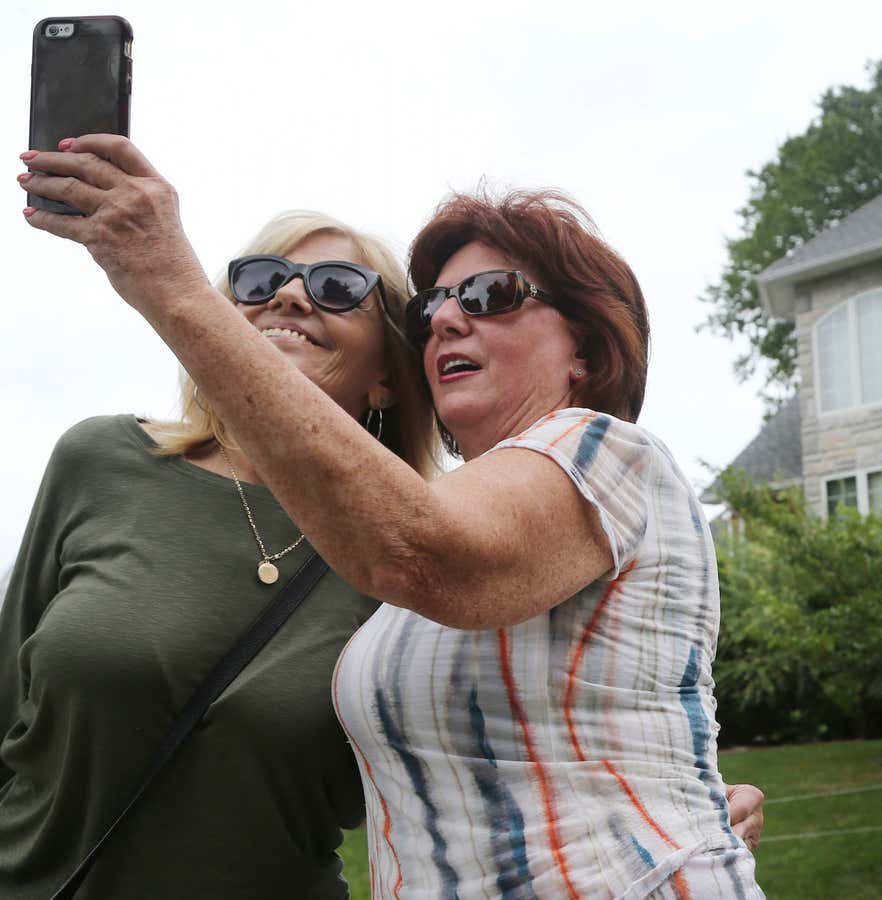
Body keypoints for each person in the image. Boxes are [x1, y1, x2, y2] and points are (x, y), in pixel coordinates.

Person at [20, 136, 764, 898]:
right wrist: (684, 788)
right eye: (433, 304)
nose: (446, 318)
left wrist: (166, 281)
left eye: (489, 295)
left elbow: (424, 553)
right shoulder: (112, 461)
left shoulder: (605, 452)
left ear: (585, 345)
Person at [0, 209, 437, 897]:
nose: (289, 296)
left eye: (338, 286)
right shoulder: (102, 460)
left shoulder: (410, 552)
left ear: (386, 377)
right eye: (260, 279)